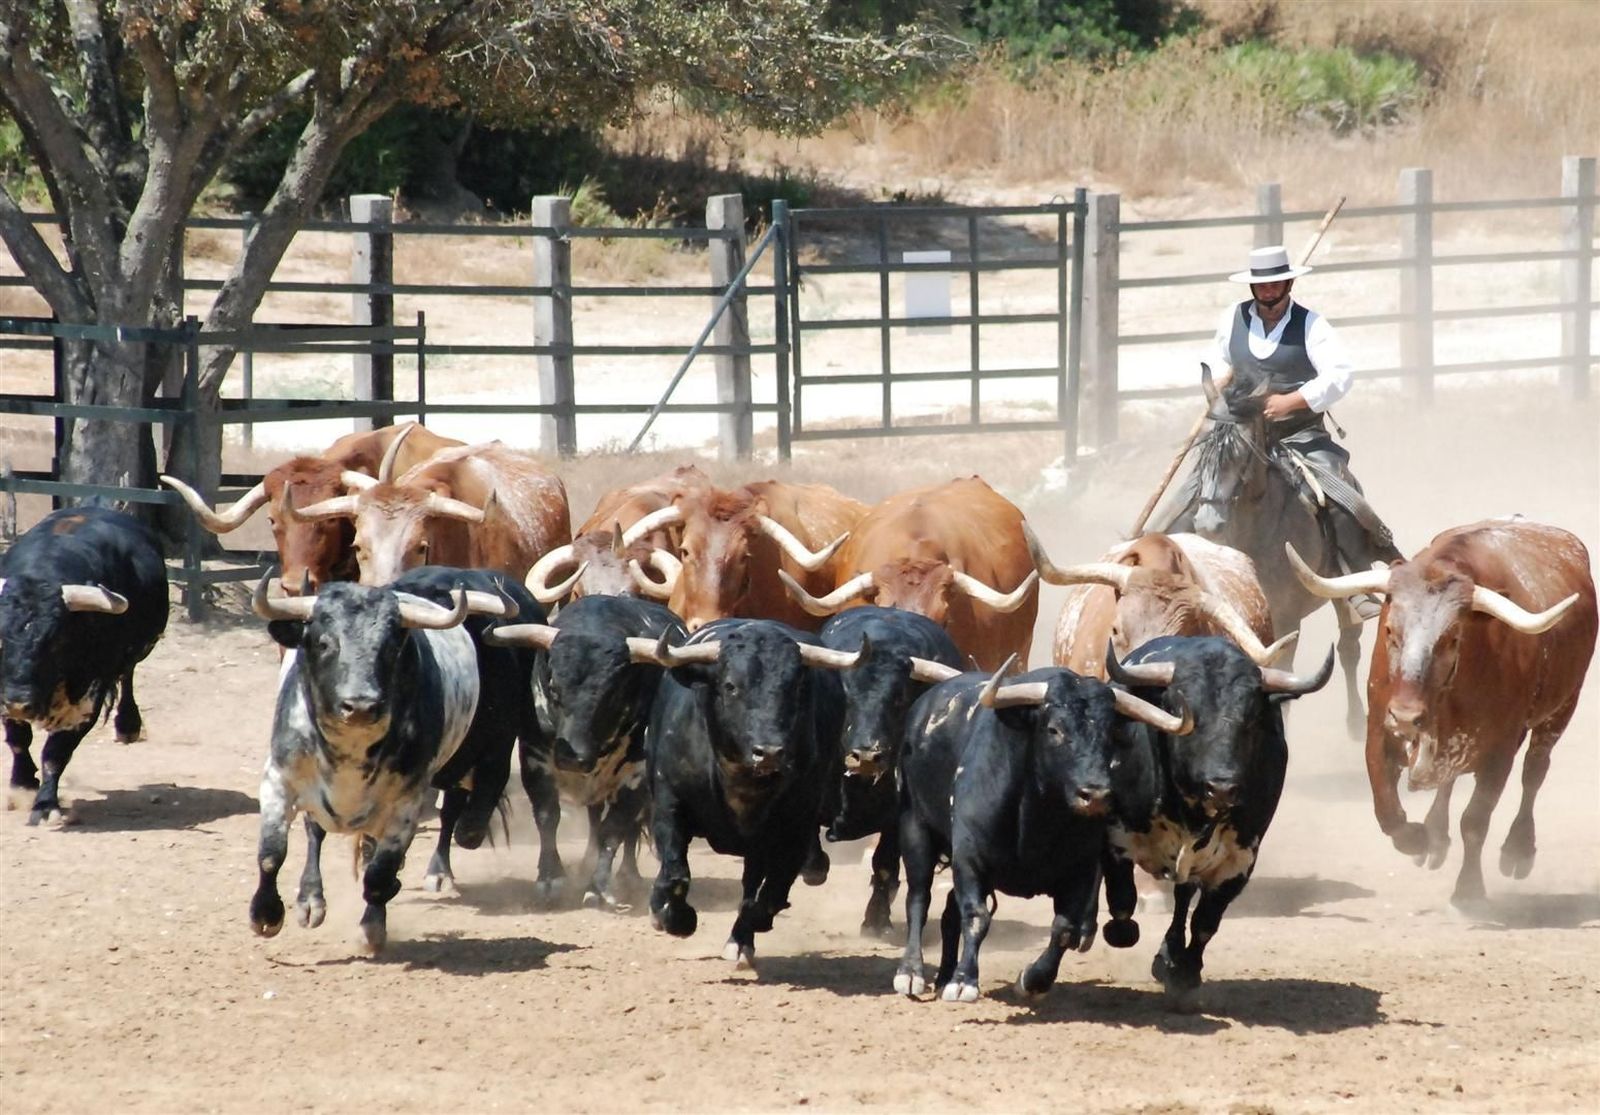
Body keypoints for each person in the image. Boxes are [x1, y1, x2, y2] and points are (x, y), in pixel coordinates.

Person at [1209, 244, 1401, 616]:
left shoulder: (1311, 325)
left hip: (1299, 435)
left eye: (1275, 284)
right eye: (1261, 286)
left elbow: (1340, 374)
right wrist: (1219, 380)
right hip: (1242, 432)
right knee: (1202, 484)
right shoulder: (1232, 318)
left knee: (1340, 492)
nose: (1268, 292)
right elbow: (1218, 357)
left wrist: (1292, 401)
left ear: (1289, 283)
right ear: (1252, 288)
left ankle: (1354, 580)